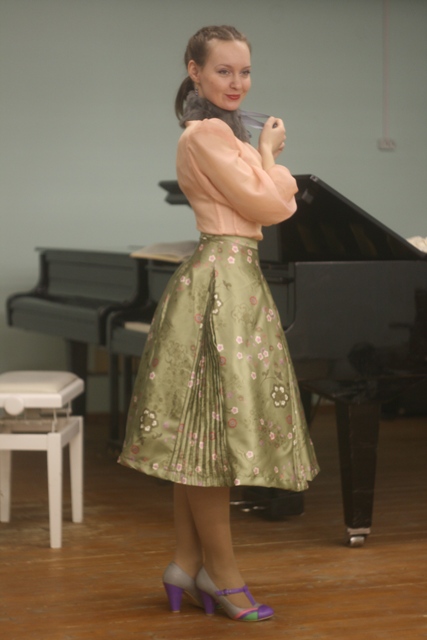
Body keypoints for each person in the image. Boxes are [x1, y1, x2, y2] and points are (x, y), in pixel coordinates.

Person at [119, 25, 319, 622]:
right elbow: (271, 205)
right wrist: (270, 156)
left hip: (230, 279)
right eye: (223, 71)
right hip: (221, 285)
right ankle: (223, 576)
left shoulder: (217, 132)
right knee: (211, 436)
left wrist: (259, 157)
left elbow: (257, 203)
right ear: (195, 71)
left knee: (200, 435)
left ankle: (187, 563)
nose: (237, 83)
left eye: (245, 71)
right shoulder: (206, 133)